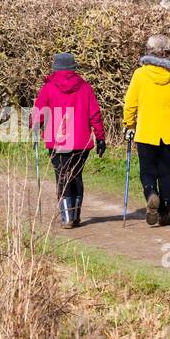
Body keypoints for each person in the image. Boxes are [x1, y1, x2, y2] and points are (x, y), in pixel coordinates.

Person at [123, 34, 170, 226]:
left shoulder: (140, 74)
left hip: (146, 132)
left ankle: (151, 194)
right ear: (168, 52)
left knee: (147, 171)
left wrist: (129, 124)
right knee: (166, 172)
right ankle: (165, 213)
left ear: (148, 50)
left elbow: (130, 103)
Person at [31, 52, 106, 227]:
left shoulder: (48, 88)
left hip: (57, 140)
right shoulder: (85, 87)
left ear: (55, 68)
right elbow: (95, 114)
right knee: (76, 176)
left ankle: (67, 217)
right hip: (81, 140)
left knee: (62, 176)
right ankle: (75, 215)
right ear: (73, 68)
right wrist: (100, 137)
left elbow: (39, 112)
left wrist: (34, 125)